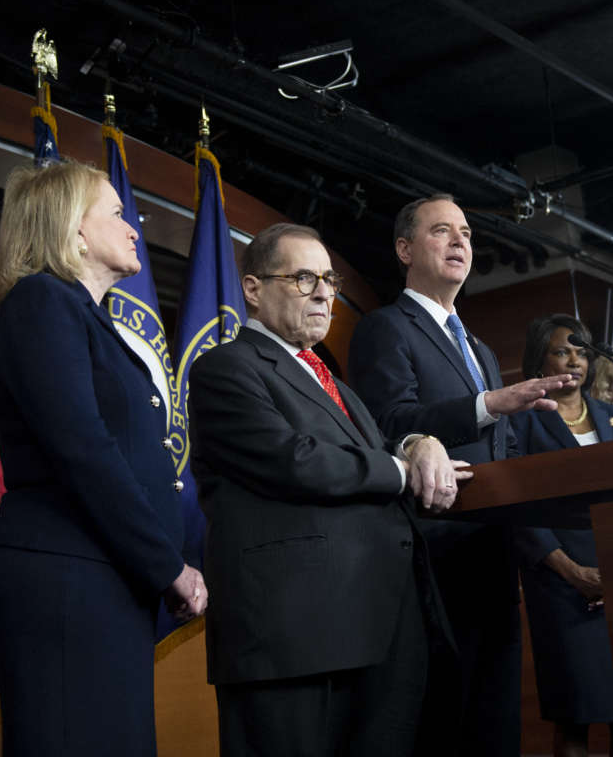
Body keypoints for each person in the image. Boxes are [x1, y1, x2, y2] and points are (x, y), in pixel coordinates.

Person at [189, 222, 469, 756]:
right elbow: (294, 460)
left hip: (375, 629)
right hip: (294, 639)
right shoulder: (225, 368)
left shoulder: (332, 382)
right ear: (253, 289)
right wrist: (404, 469)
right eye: (302, 278)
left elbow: (380, 444)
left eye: (329, 280)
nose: (323, 292)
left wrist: (418, 442)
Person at [0, 160, 206, 755]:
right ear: (73, 229)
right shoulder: (42, 302)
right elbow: (85, 449)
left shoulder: (83, 316)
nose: (134, 229)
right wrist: (169, 566)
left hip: (101, 578)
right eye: (116, 213)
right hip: (65, 580)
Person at [348, 193, 568, 755]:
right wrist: (487, 404)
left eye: (466, 233)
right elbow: (387, 420)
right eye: (441, 231)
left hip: (492, 557)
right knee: (443, 725)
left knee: (495, 726)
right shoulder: (384, 328)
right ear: (404, 249)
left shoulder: (481, 350)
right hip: (433, 554)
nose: (460, 241)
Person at [512, 315, 613, 757]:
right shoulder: (522, 420)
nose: (575, 361)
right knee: (575, 718)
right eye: (562, 351)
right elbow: (517, 507)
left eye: (582, 352)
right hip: (561, 582)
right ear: (540, 361)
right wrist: (570, 571)